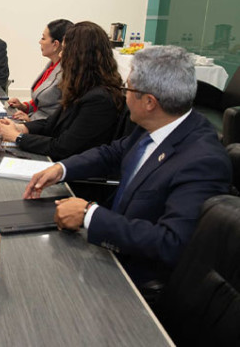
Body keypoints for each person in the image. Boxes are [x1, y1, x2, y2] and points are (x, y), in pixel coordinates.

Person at [23, 46, 231, 286]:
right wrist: (61, 169)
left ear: (150, 102)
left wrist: (89, 215)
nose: (124, 96)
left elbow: (170, 242)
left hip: (135, 277)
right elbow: (110, 153)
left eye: (128, 89)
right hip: (109, 245)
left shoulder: (203, 161)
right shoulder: (158, 124)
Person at [0, 21, 123, 160]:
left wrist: (17, 137)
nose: (60, 55)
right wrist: (21, 128)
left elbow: (63, 148)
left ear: (81, 57)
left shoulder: (99, 99)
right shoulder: (82, 88)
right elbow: (50, 124)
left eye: (65, 50)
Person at [7, 19, 73, 121]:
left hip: (44, 126)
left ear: (55, 44)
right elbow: (42, 103)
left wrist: (30, 121)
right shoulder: (51, 65)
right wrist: (23, 107)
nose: (40, 42)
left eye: (43, 38)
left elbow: (55, 113)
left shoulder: (66, 73)